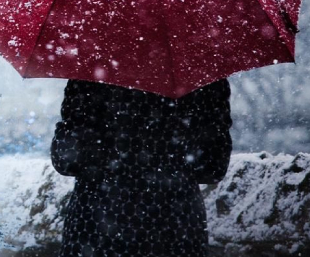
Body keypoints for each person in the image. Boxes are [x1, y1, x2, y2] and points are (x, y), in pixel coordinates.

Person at [51, 79, 233, 257]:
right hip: (176, 229)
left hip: (97, 228)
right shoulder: (200, 74)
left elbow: (66, 160)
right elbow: (212, 167)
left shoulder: (92, 70)